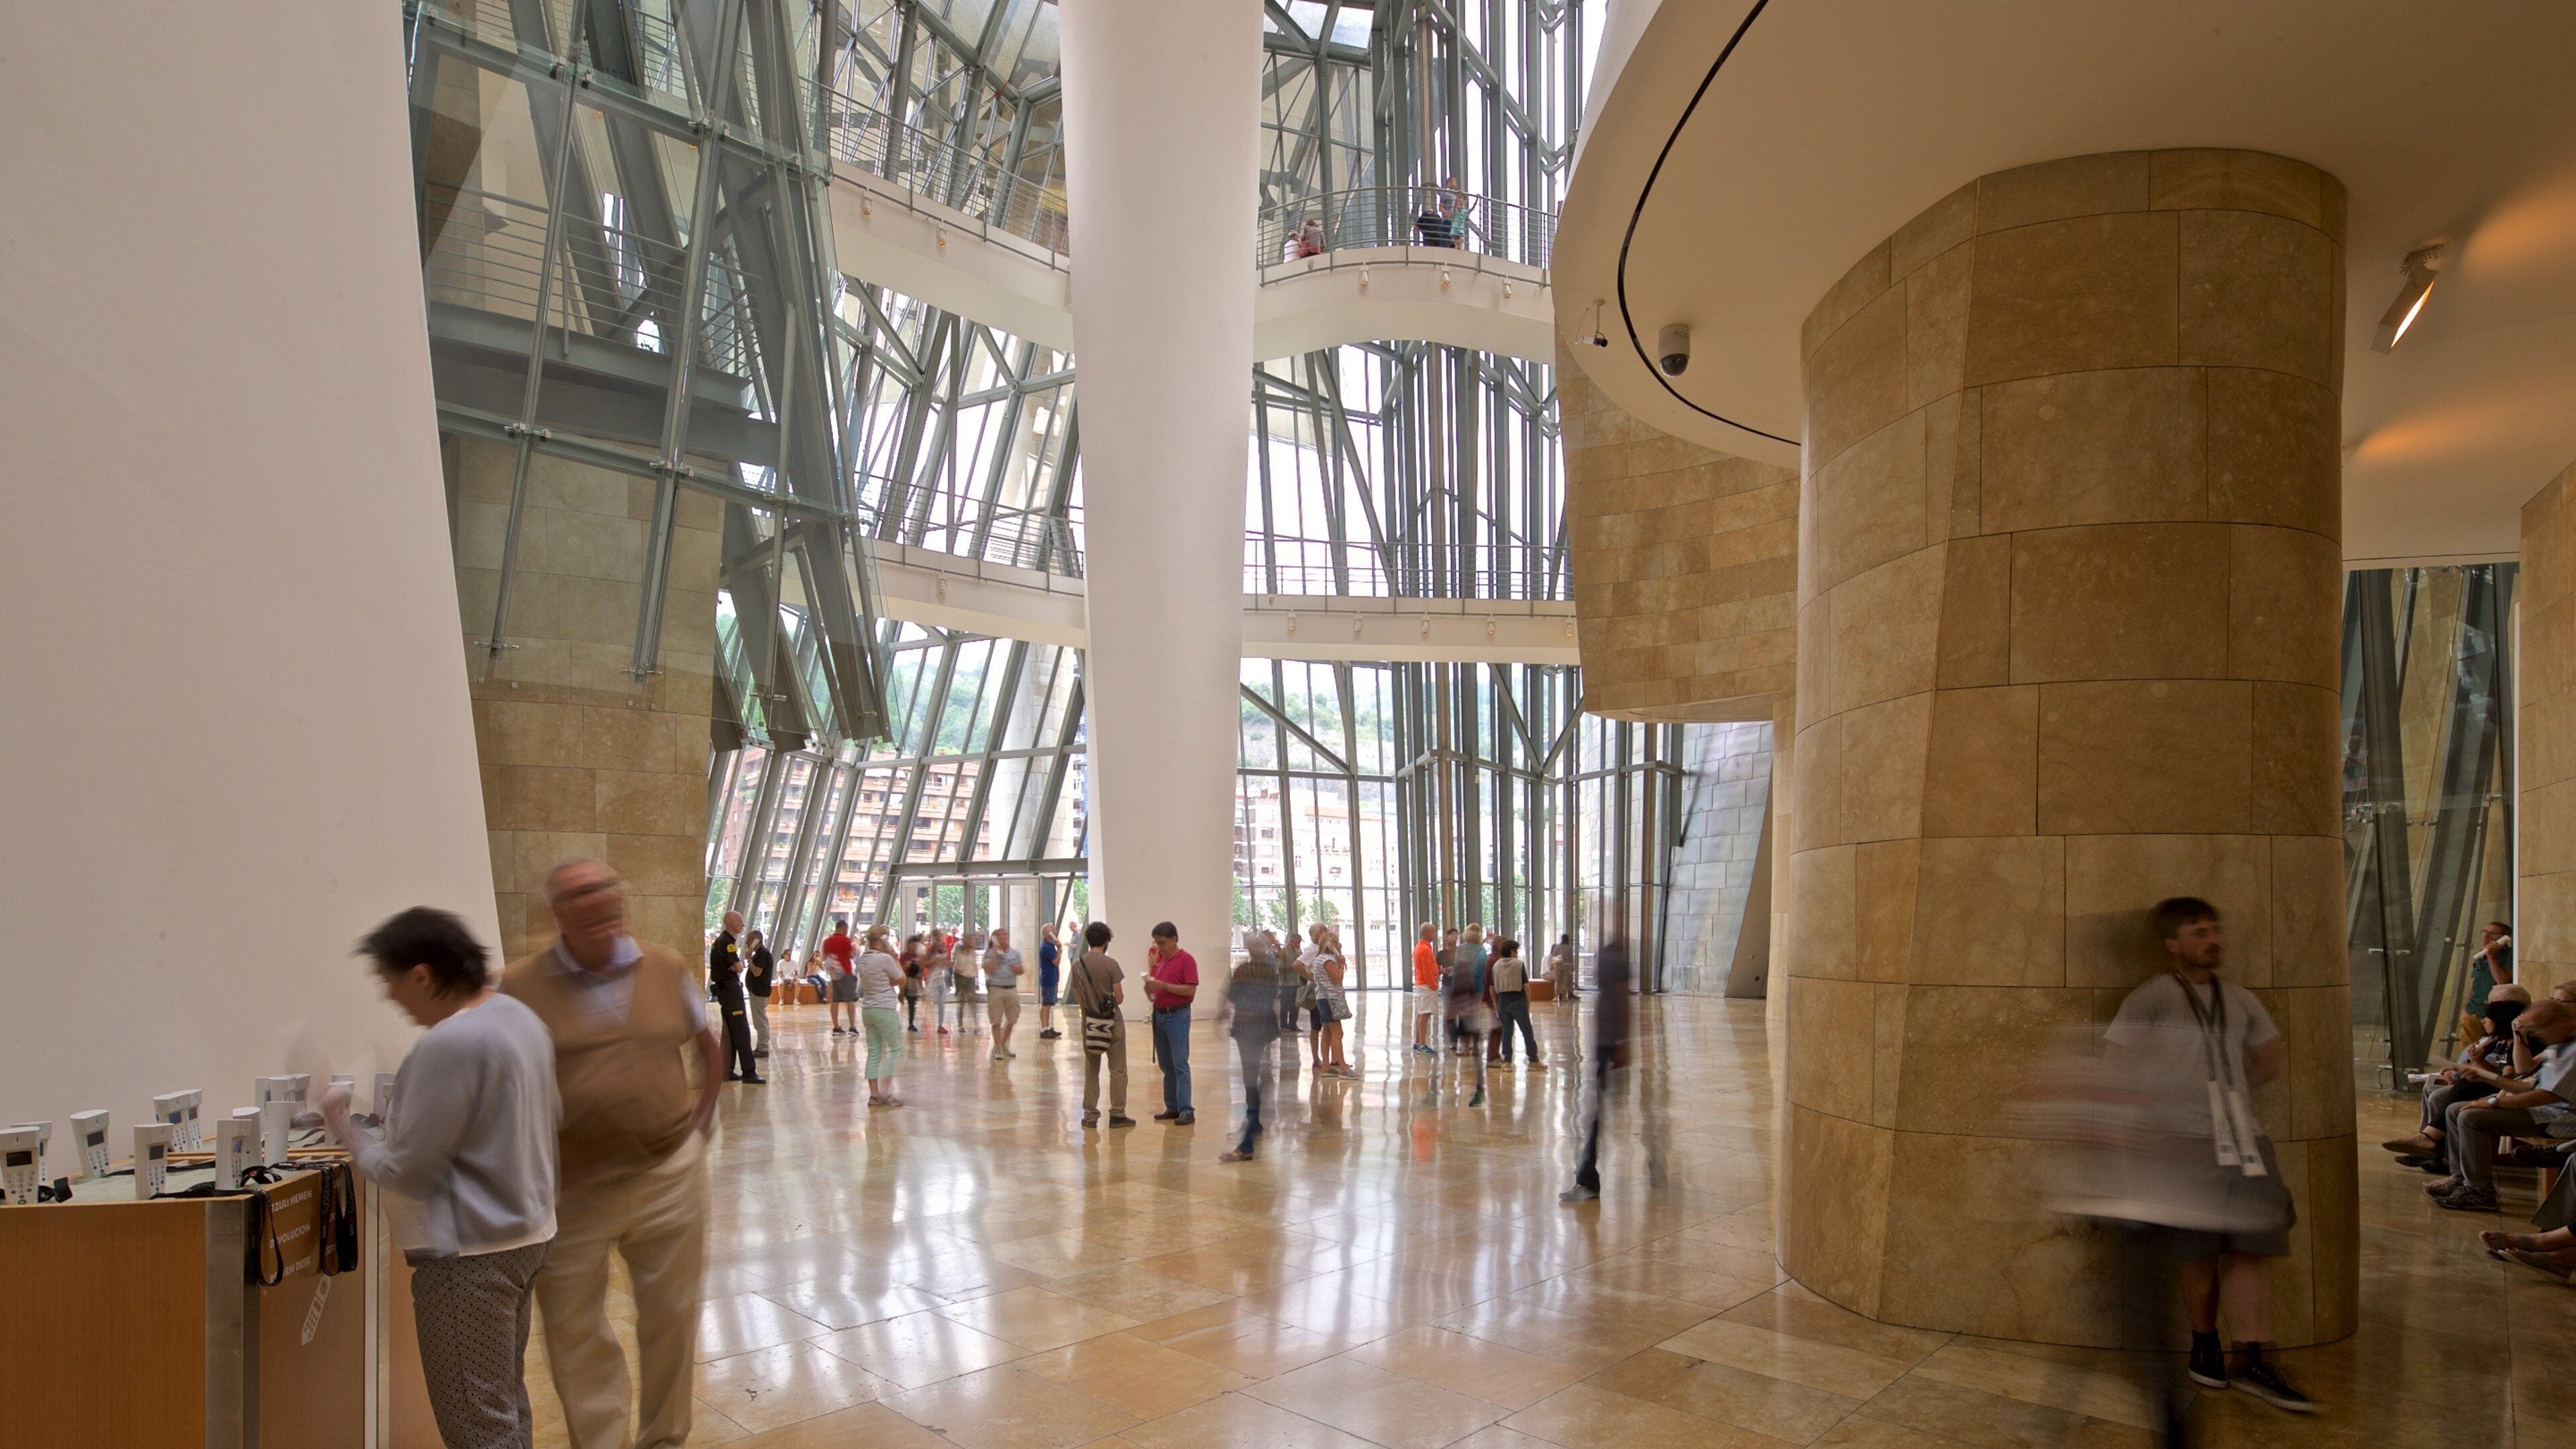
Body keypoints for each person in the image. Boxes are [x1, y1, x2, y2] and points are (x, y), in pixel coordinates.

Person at [502, 859, 722, 1449]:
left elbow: (708, 1045)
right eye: (585, 896)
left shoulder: (667, 967)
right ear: (559, 914)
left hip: (668, 1173)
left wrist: (699, 1127)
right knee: (574, 1331)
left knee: (672, 1318)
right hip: (570, 1190)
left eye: (609, 893)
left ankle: (664, 1438)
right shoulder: (519, 987)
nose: (603, 904)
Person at [323, 907, 558, 1449]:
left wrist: (345, 1129)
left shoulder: (450, 1043)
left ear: (422, 976)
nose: (389, 999)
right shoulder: (519, 1019)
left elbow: (409, 1170)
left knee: (476, 1424)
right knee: (503, 1404)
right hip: (528, 1237)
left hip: (468, 1258)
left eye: (390, 982)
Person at [2096, 897, 2312, 1415]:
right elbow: (2115, 1064)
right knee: (2200, 1250)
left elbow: (2266, 1059)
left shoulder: (2239, 999)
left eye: (2214, 930)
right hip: (2183, 1142)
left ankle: (2254, 1357)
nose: (2211, 939)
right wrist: (2156, 1115)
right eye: (2198, 932)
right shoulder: (2151, 998)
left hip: (2242, 1139)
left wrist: (2229, 1095)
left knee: (2250, 1246)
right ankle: (2204, 1343)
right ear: (2172, 944)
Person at [2428, 998, 2576, 1212]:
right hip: (2544, 1111)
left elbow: (2547, 1096)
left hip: (2561, 1118)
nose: (2538, 1034)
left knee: (2471, 1117)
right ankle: (2460, 1179)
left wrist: (2495, 1103)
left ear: (2561, 1021)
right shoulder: (2556, 1046)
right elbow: (2531, 1089)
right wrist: (2487, 1078)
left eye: (2540, 1028)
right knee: (2455, 1109)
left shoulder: (2572, 1051)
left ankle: (2480, 1191)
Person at [2384, 984, 2530, 1172]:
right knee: (2441, 1093)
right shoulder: (2501, 1038)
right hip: (2506, 1088)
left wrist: (2488, 1091)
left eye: (2491, 1006)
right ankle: (2436, 1150)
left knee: (2460, 1102)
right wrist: (2476, 1064)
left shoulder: (2523, 1038)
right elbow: (2504, 1072)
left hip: (2518, 1095)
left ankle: (2442, 1153)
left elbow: (2517, 1076)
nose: (2484, 1016)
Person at [1564, 927, 1635, 1204]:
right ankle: (1587, 1177)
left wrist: (1621, 1043)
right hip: (1606, 1048)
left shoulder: (1614, 977)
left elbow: (1622, 1008)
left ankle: (1587, 1179)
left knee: (1596, 1116)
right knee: (1595, 1114)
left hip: (1609, 1048)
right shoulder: (1612, 978)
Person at [1217, 932, 1285, 1163]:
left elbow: (1232, 996)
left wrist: (1222, 1013)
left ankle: (1248, 1139)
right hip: (1265, 1026)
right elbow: (1274, 995)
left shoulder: (1243, 970)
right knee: (1257, 1075)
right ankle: (1253, 1123)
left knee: (1250, 1077)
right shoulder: (1269, 971)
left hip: (1247, 1026)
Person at [1069, 921, 1132, 1128]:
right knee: (1118, 1069)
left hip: (1090, 1023)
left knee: (1091, 1068)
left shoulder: (1077, 965)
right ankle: (1117, 1113)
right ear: (1106, 941)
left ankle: (1090, 1114)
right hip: (1112, 1022)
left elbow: (1079, 998)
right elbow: (1120, 998)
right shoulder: (1111, 964)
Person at [1146, 922, 1199, 1125]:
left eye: (1163, 943)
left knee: (1180, 1064)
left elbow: (1190, 990)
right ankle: (1172, 1106)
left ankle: (1187, 1109)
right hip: (1160, 1015)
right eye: (1157, 943)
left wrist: (1165, 986)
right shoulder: (1161, 962)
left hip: (1177, 1016)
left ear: (1174, 939)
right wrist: (1150, 989)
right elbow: (1157, 992)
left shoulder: (1186, 960)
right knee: (1166, 1065)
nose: (1160, 947)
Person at [707, 912, 763, 1085]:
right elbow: (739, 967)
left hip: (725, 992)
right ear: (731, 923)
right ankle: (749, 1072)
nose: (743, 925)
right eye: (739, 921)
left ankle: (727, 1070)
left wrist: (736, 966)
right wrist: (736, 966)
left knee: (730, 1033)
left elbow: (736, 966)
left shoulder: (719, 943)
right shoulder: (727, 944)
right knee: (741, 1031)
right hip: (731, 992)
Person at [1444, 927, 1495, 1106]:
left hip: (1462, 991)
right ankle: (1474, 1047)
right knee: (1474, 1020)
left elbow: (1457, 970)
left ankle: (1464, 1048)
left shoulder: (1460, 950)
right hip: (1478, 990)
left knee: (1464, 1020)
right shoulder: (1482, 951)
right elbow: (1485, 969)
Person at [855, 928, 905, 1108]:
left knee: (874, 1051)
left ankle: (874, 1095)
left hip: (868, 1009)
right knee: (897, 1049)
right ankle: (886, 1093)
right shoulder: (885, 959)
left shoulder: (863, 960)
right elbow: (901, 979)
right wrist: (895, 959)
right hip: (884, 1009)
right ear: (880, 941)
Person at [1492, 936, 1542, 1067]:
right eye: (1517, 951)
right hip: (1518, 1000)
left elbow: (1492, 987)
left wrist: (1496, 1003)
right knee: (1527, 1030)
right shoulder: (1518, 964)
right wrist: (1528, 1002)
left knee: (1507, 1032)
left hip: (1503, 1001)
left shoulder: (1496, 965)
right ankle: (1533, 1060)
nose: (1517, 953)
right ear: (1512, 951)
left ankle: (1507, 1061)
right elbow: (1526, 986)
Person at [1312, 929, 1352, 1075]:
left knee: (1327, 1032)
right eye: (1335, 942)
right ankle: (1342, 1067)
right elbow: (1337, 978)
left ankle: (1326, 1066)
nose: (1339, 944)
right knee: (1338, 1033)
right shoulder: (1327, 960)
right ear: (1329, 944)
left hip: (1323, 998)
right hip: (1330, 999)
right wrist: (1341, 964)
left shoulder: (1321, 958)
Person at [984, 926, 1024, 1061]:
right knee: (996, 1020)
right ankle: (998, 1047)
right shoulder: (990, 953)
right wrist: (995, 955)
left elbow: (1021, 970)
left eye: (1005, 935)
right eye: (999, 936)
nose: (1003, 938)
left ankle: (1003, 1044)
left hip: (1011, 988)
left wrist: (1017, 969)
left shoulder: (1015, 953)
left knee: (1012, 1019)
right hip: (996, 988)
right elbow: (988, 970)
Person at [741, 928, 773, 1057]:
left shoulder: (763, 954)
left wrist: (749, 959)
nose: (747, 943)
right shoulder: (758, 954)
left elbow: (757, 972)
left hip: (760, 992)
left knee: (760, 1020)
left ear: (756, 941)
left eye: (749, 940)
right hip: (756, 991)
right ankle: (761, 1046)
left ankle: (763, 1047)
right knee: (758, 1020)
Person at [822, 917, 857, 1035]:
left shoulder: (827, 941)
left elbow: (824, 956)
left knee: (835, 1000)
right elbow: (850, 955)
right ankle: (852, 1027)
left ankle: (836, 1027)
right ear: (844, 928)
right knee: (850, 1000)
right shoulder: (846, 940)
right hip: (845, 972)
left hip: (834, 974)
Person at [1411, 922, 1440, 1055]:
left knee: (1421, 1013)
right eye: (1433, 931)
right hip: (1426, 986)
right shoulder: (1426, 950)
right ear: (1427, 933)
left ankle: (1418, 1042)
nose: (1435, 934)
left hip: (1422, 984)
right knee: (1425, 1014)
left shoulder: (1419, 947)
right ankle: (1422, 1044)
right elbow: (1427, 970)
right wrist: (1433, 985)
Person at [1037, 923, 1064, 1040]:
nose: (1056, 931)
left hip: (1052, 978)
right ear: (1049, 934)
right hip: (1048, 979)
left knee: (1049, 1005)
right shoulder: (1047, 947)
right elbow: (1056, 962)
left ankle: (1047, 1027)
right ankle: (1044, 1029)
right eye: (1053, 930)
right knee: (1046, 1005)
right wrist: (1059, 950)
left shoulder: (1049, 945)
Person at [900, 934, 925, 1032]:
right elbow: (900, 969)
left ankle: (911, 1023)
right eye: (912, 945)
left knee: (912, 1003)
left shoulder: (918, 956)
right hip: (905, 981)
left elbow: (921, 970)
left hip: (914, 982)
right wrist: (906, 966)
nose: (913, 947)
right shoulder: (904, 956)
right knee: (904, 999)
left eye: (915, 945)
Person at [1549, 933, 1577, 1002]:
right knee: (1565, 982)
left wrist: (1553, 964)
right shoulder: (1570, 947)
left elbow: (1553, 955)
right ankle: (1564, 997)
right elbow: (1571, 958)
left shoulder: (1557, 947)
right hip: (1568, 966)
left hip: (1558, 965)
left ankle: (1556, 997)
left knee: (1557, 981)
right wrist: (1573, 967)